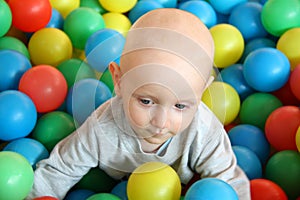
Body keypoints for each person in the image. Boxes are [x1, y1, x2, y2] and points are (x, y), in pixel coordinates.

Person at [27, 8, 250, 199]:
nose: (161, 122)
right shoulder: (102, 127)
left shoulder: (204, 130)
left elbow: (228, 182)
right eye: (146, 101)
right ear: (119, 80)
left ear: (202, 91)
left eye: (180, 106)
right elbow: (60, 169)